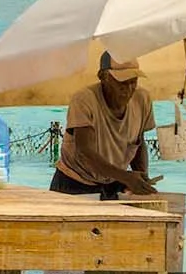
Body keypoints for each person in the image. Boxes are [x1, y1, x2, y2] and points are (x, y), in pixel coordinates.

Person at [52, 52, 157, 197]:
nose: (128, 89)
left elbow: (138, 142)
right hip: (74, 183)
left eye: (133, 81)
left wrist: (140, 178)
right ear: (103, 77)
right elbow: (85, 151)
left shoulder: (142, 99)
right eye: (122, 82)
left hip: (114, 181)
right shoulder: (84, 100)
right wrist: (127, 177)